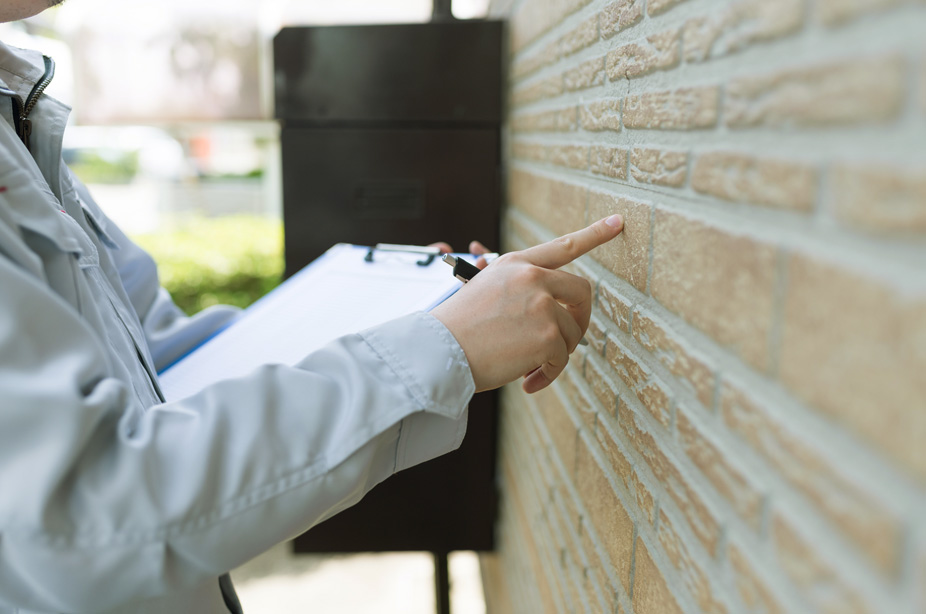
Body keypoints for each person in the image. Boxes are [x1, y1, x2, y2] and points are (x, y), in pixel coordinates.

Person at [0, 1, 624, 612]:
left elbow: (161, 364)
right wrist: (442, 348)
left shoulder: (20, 122)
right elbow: (83, 521)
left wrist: (405, 314)